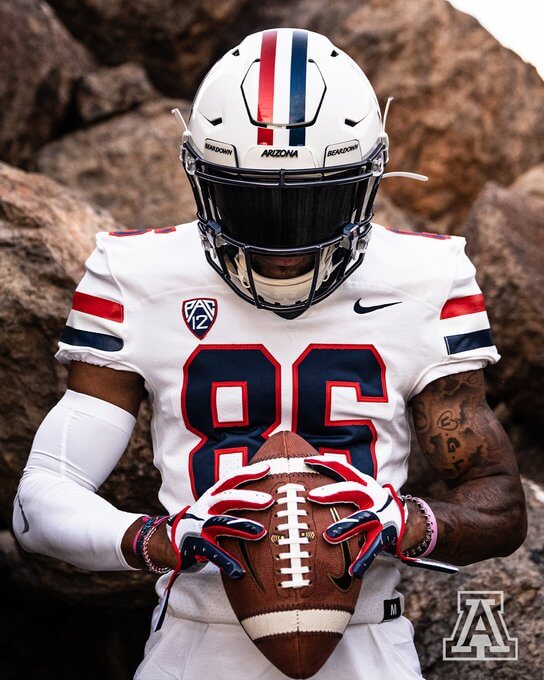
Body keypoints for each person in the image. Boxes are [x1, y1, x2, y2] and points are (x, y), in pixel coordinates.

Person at [13, 28, 526, 680]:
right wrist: (159, 539)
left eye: (315, 204)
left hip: (368, 640)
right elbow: (41, 502)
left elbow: (500, 505)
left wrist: (400, 524)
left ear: (368, 178)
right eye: (255, 205)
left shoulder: (426, 275)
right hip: (196, 638)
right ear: (202, 179)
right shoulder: (136, 271)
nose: (285, 245)